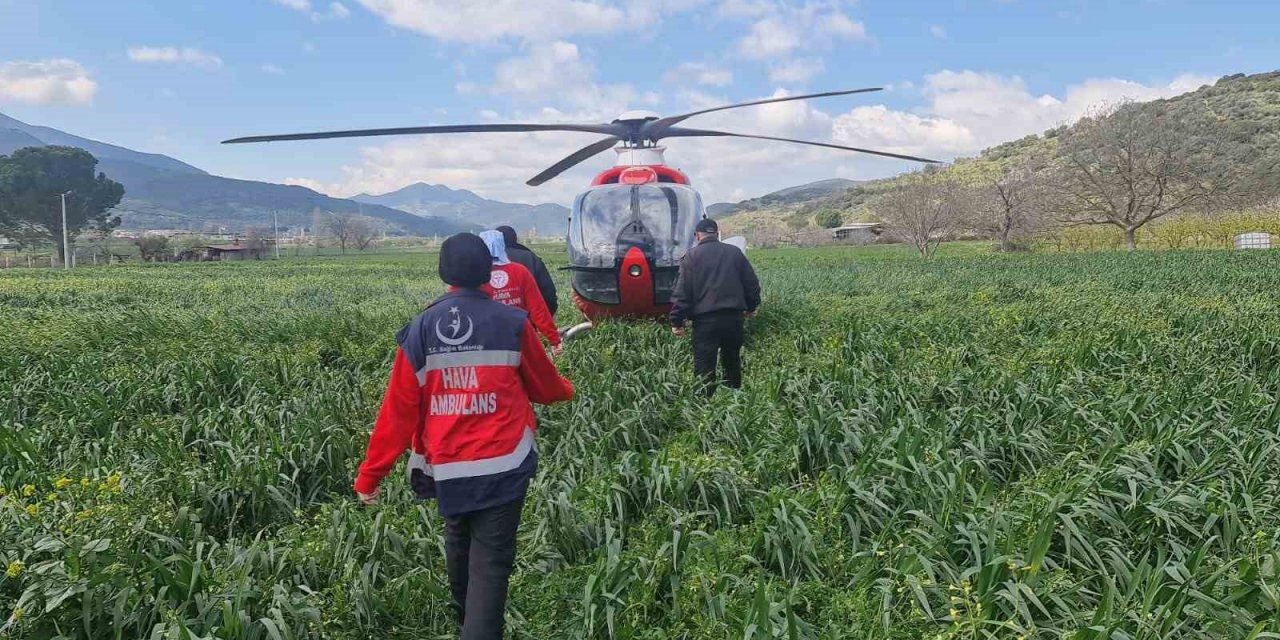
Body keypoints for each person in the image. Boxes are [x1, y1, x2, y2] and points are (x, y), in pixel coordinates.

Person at [353, 232, 574, 639]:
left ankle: (465, 620)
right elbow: (545, 387)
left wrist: (370, 476)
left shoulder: (420, 329)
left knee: (458, 539)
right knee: (491, 562)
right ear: (490, 271)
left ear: (444, 273)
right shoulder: (511, 323)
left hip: (448, 465)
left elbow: (398, 411)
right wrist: (567, 389)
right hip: (505, 464)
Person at [669, 218, 761, 395]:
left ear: (697, 236)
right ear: (717, 234)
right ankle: (733, 402)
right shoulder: (734, 253)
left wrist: (676, 321)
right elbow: (752, 284)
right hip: (734, 319)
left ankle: (706, 408)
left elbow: (682, 292)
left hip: (705, 322)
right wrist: (751, 307)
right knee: (732, 361)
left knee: (704, 365)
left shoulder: (692, 256)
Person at [466, 230, 563, 355]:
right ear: (502, 245)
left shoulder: (473, 276)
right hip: (521, 339)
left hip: (487, 342)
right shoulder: (520, 271)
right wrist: (554, 339)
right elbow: (538, 310)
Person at [496, 225, 558, 317]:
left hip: (494, 322)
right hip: (529, 321)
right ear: (515, 238)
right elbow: (548, 293)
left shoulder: (485, 260)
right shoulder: (530, 257)